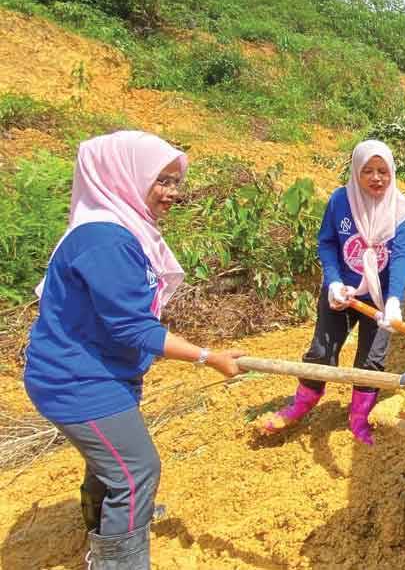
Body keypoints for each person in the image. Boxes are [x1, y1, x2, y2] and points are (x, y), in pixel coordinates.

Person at [23, 131, 244, 569]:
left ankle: (108, 522)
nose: (171, 193)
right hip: (78, 381)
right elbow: (132, 327)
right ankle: (117, 560)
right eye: (161, 180)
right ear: (127, 174)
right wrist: (208, 357)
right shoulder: (106, 239)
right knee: (137, 471)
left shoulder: (118, 225)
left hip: (96, 371)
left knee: (112, 463)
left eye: (175, 182)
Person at [260, 140, 405, 445]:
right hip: (342, 292)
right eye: (368, 171)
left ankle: (359, 418)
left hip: (382, 298)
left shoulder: (404, 212)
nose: (376, 178)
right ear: (355, 173)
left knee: (371, 361)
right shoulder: (340, 201)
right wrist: (333, 281)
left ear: (392, 173)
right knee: (321, 352)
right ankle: (302, 403)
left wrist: (394, 299)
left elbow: (401, 256)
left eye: (383, 171)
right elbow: (328, 242)